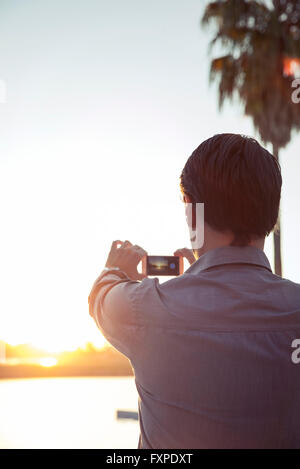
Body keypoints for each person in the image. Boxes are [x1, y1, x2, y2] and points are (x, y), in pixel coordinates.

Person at [88, 133, 300, 449]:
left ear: (192, 212)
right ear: (272, 211)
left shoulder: (147, 310)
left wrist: (116, 267)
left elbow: (101, 297)